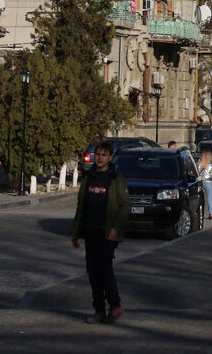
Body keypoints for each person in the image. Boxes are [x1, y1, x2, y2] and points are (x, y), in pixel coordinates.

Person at [71, 139, 130, 324]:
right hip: (91, 230)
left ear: (110, 157)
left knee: (104, 269)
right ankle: (99, 310)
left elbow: (125, 205)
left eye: (104, 155)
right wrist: (75, 232)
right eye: (97, 154)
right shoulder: (88, 176)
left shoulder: (115, 178)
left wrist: (115, 227)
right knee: (92, 271)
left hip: (107, 232)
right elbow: (81, 205)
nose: (100, 158)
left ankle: (115, 305)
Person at [199, 149, 212, 220]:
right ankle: (211, 213)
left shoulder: (200, 164)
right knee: (209, 198)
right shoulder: (210, 165)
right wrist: (209, 177)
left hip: (200, 182)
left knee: (200, 198)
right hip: (208, 182)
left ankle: (199, 213)